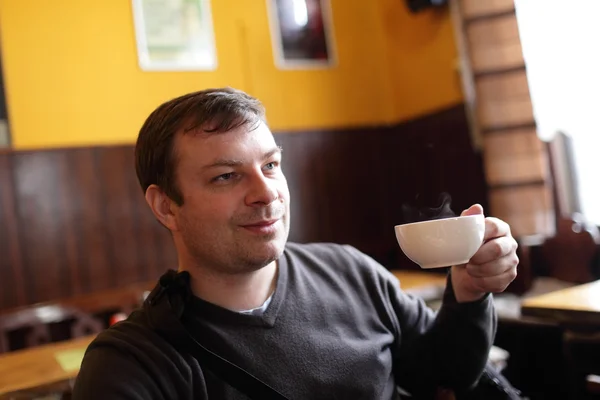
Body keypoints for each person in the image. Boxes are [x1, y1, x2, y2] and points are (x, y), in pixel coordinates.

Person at [72, 88, 519, 399]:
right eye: (226, 176)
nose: (265, 192)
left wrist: (470, 289)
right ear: (166, 206)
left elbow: (442, 373)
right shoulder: (132, 364)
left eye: (270, 165)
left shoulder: (350, 272)